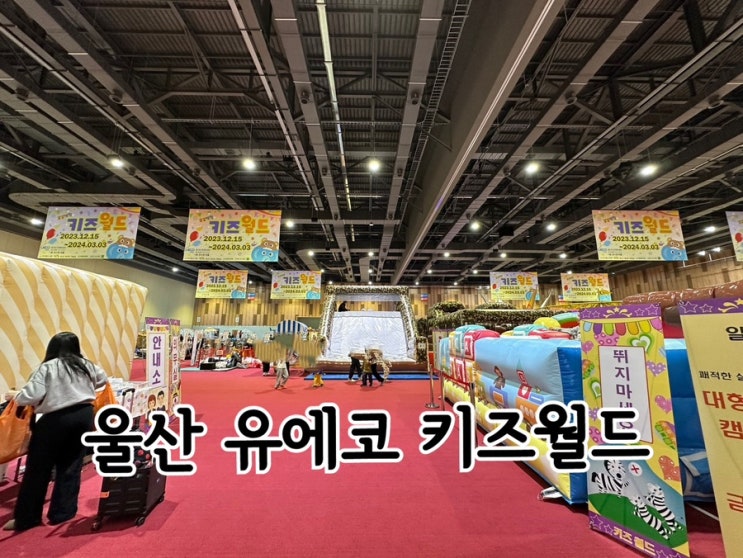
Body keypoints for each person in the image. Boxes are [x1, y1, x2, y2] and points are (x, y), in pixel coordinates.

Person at [3, 332, 109, 532]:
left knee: (38, 468)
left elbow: (29, 397)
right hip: (84, 416)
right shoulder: (86, 365)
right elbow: (103, 380)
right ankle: (63, 512)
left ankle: (26, 518)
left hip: (55, 419)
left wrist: (16, 395)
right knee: (71, 464)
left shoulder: (48, 367)